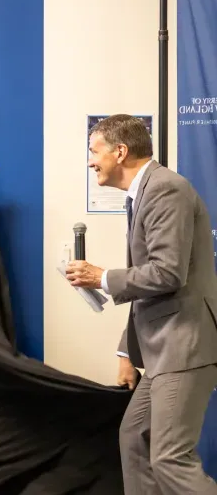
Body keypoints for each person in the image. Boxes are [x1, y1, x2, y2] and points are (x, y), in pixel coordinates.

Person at [65, 114, 217, 494]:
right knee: (136, 439)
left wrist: (101, 276)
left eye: (93, 151)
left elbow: (167, 274)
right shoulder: (143, 193)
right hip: (162, 348)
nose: (89, 161)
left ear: (120, 151)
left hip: (184, 346)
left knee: (170, 457)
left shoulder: (166, 189)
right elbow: (150, 285)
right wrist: (125, 350)